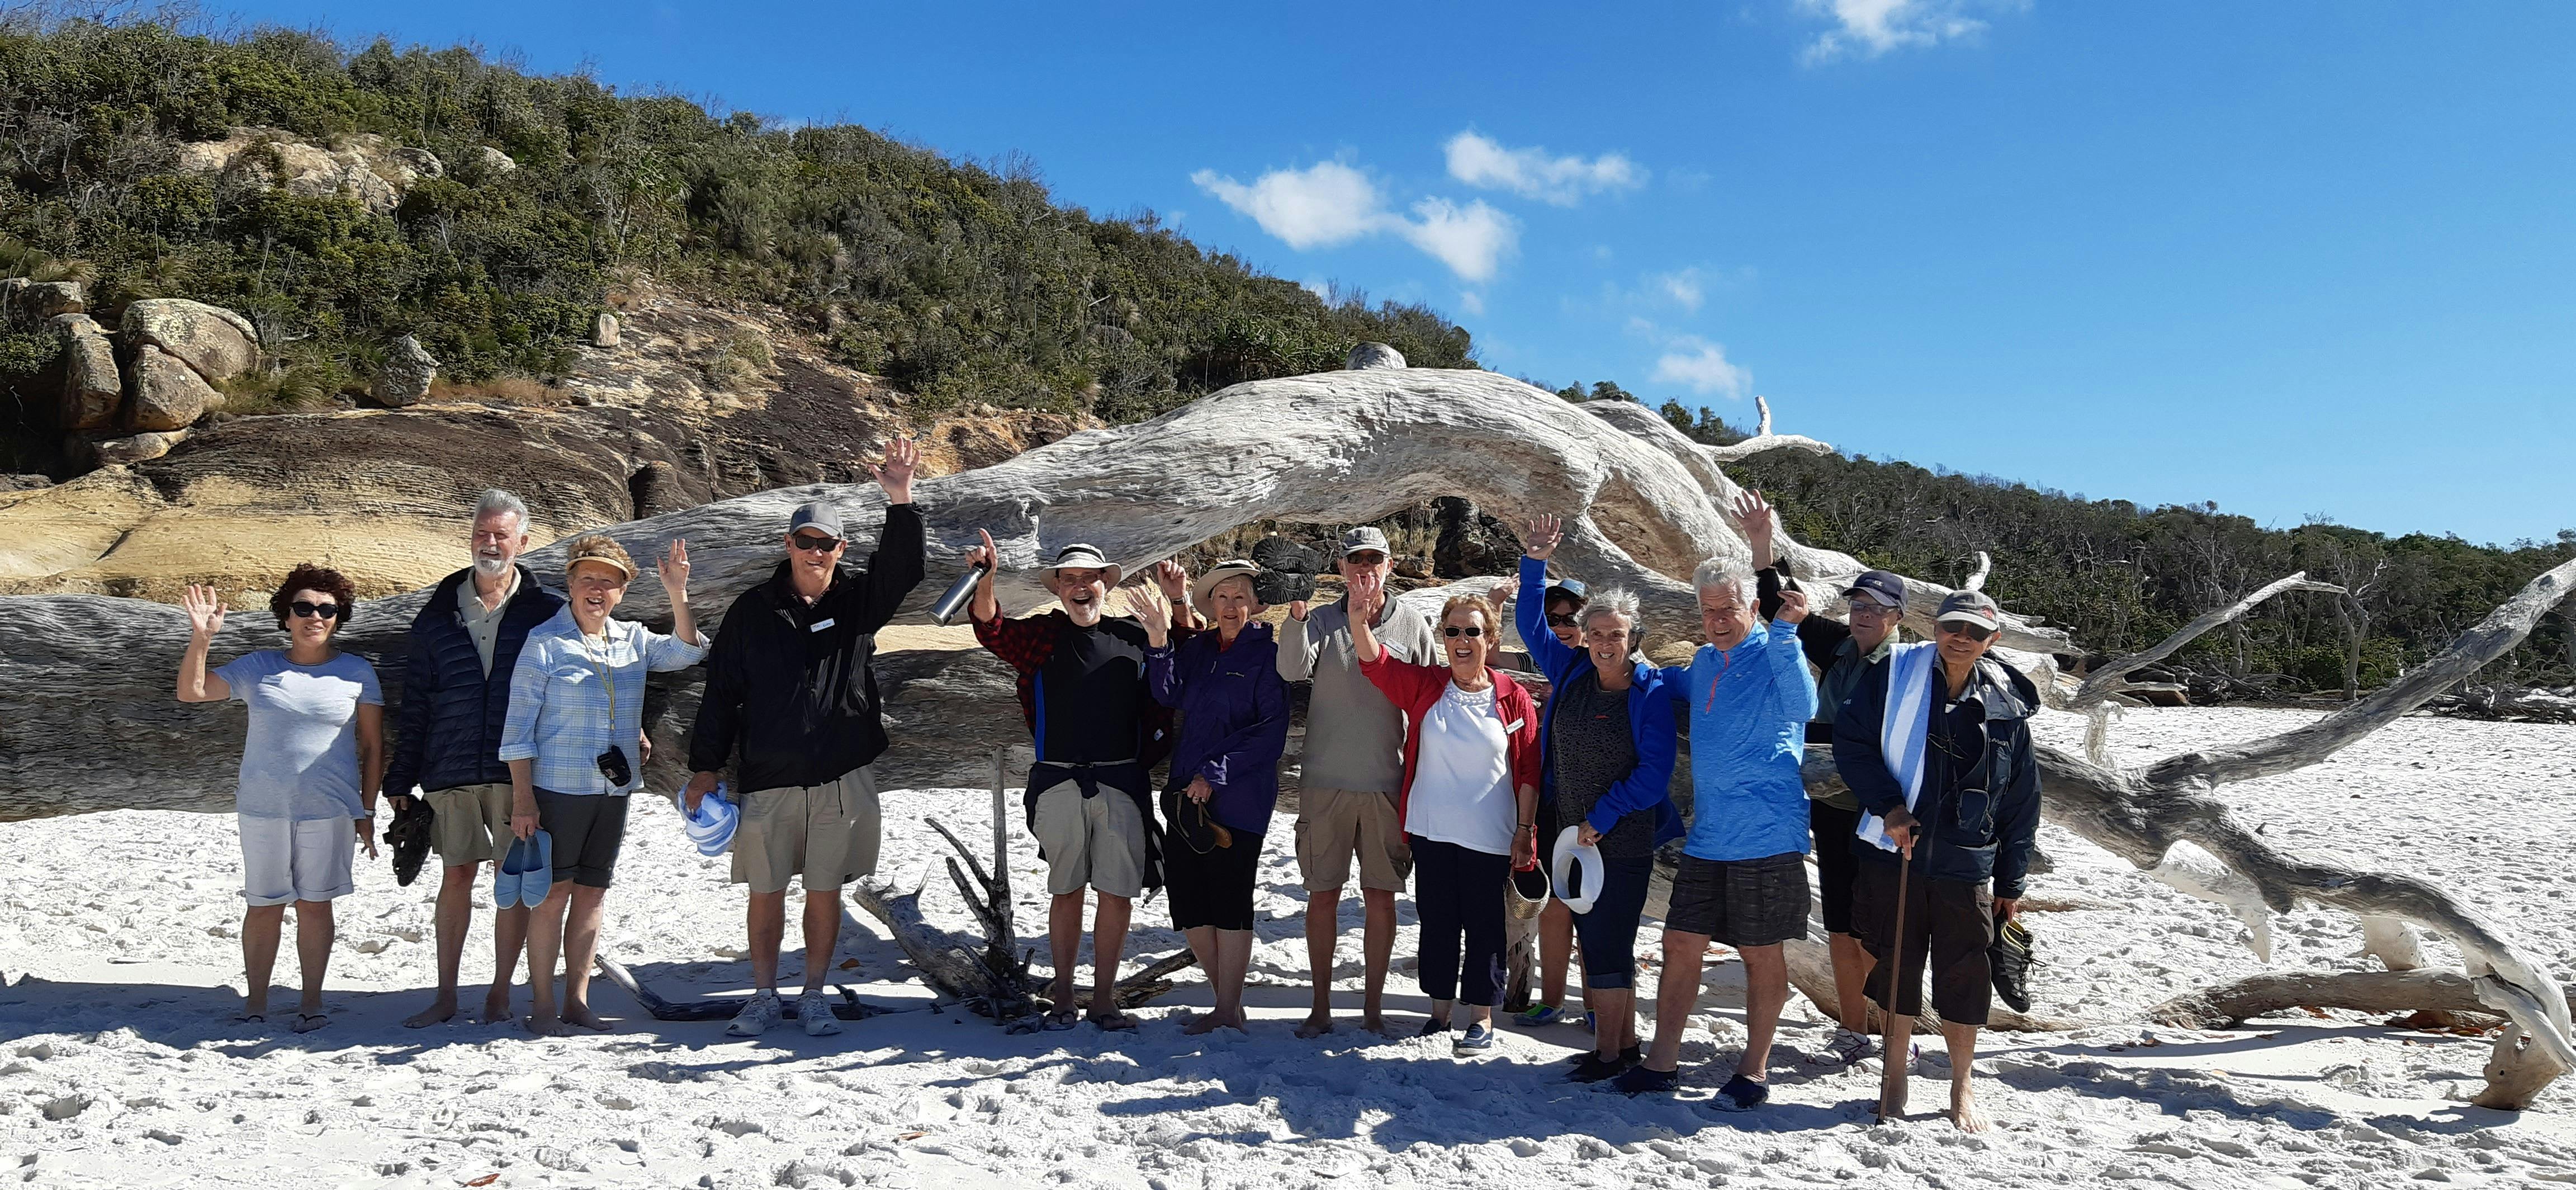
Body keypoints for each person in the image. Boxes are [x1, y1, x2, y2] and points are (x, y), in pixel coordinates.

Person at [688, 439, 926, 1038]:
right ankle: (764, 995)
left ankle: (814, 996)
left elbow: (904, 571)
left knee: (824, 892)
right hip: (768, 774)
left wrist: (901, 498)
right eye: (806, 541)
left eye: (827, 543)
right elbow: (721, 692)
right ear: (788, 544)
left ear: (841, 549)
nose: (815, 552)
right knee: (765, 891)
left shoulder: (857, 603)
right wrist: (705, 767)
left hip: (840, 774)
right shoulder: (751, 610)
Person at [1831, 586, 2042, 1133]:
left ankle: (1961, 1083)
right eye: (1953, 627)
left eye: (1975, 632)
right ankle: (1895, 1073)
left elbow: (2022, 800)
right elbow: (1852, 743)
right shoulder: (1893, 674)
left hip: (1966, 861)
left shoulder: (2007, 705)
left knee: (1965, 974)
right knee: (1894, 965)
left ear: (1992, 640)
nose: (1961, 638)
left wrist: (2011, 881)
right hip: (1894, 851)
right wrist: (1890, 806)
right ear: (1935, 628)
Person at [968, 533, 1196, 1031]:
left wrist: (1178, 600)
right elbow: (991, 628)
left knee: (1117, 894)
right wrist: (986, 579)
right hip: (1058, 783)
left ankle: (1105, 999)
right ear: (1057, 588)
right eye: (1070, 579)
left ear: (1105, 585)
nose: (1080, 587)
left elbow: (1185, 652)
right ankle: (1065, 996)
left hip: (1122, 780)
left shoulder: (1133, 635)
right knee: (1066, 890)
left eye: (1089, 578)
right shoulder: (1044, 636)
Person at [1616, 557, 1816, 1106]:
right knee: (1679, 942)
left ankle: (1754, 1072)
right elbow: (1665, 682)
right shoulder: (1705, 661)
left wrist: (1787, 632)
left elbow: (1805, 706)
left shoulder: (1776, 652)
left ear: (1753, 606)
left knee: (1759, 952)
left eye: (1728, 608)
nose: (1718, 620)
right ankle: (1662, 1063)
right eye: (1709, 611)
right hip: (1709, 836)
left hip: (1767, 833)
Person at [499, 533, 706, 1036]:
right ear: (571, 584)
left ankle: (577, 1002)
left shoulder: (632, 639)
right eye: (588, 578)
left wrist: (678, 592)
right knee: (553, 897)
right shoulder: (545, 643)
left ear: (621, 592)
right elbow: (517, 731)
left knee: (592, 896)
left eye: (608, 582)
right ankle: (542, 1006)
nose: (597, 589)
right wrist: (523, 800)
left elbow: (688, 651)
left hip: (614, 791)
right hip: (558, 789)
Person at [1732, 488, 1910, 1065]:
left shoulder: (1909, 667)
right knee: (1838, 922)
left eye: (1877, 607)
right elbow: (1777, 603)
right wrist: (1762, 542)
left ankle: (1894, 1032)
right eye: (1859, 604)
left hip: (1883, 814)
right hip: (1831, 809)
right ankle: (1854, 1030)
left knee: (1882, 929)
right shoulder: (1840, 647)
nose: (1864, 614)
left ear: (1897, 617)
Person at [385, 490, 567, 1028]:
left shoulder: (548, 610)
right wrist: (401, 776)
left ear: (522, 542)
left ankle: (499, 994)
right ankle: (445, 996)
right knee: (457, 875)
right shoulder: (437, 613)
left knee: (513, 885)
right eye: (481, 533)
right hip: (450, 765)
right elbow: (417, 701)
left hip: (521, 772)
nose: (490, 543)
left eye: (501, 535)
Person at [176, 565, 383, 1033]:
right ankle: (256, 1003)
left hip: (331, 809)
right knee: (264, 905)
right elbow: (192, 691)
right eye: (304, 608)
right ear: (286, 616)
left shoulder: (357, 671)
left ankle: (312, 1003)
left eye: (327, 609)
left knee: (316, 906)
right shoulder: (258, 667)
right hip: (263, 809)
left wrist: (367, 810)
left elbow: (374, 747)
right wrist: (202, 638)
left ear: (339, 617)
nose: (315, 617)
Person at [1513, 517, 1681, 1082]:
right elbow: (1530, 623)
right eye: (1598, 633)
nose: (1607, 644)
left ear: (1635, 639)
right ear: (1585, 636)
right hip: (1572, 833)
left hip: (1620, 839)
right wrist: (1535, 563)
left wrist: (1601, 817)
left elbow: (1653, 776)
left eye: (1618, 635)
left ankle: (1609, 1055)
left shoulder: (1648, 691)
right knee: (1596, 937)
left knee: (1608, 942)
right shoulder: (1572, 669)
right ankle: (1622, 1046)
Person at [1351, 575, 1541, 1056]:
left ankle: (1481, 1018)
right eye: (1453, 631)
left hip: (1491, 836)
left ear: (1490, 639)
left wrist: (1525, 831)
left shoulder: (1512, 697)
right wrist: (1358, 620)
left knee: (1485, 928)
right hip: (1431, 832)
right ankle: (1438, 1014)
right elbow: (1377, 664)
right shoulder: (1429, 685)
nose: (1462, 640)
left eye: (1472, 631)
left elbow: (1528, 771)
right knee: (1437, 923)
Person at [1277, 527, 1441, 1038]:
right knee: (1322, 896)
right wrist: (1296, 618)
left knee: (1381, 899)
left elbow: (1431, 696)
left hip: (1387, 783)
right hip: (1324, 782)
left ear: (1389, 566)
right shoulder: (1322, 619)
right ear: (1342, 568)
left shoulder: (1412, 623)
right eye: (1356, 560)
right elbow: (1290, 670)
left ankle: (1372, 1010)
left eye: (1375, 559)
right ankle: (1320, 1008)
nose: (1365, 568)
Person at [1134, 560, 1290, 1035]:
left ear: (1256, 605)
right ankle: (1227, 1004)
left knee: (1229, 900)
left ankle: (1226, 1008)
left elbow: (1271, 731)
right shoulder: (1200, 649)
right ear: (1212, 605)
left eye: (1240, 596)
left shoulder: (1269, 656)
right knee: (1187, 902)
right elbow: (1169, 692)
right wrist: (1158, 641)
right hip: (1187, 795)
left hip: (1240, 797)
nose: (1231, 605)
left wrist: (1214, 773)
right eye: (1223, 597)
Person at [1508, 569, 1592, 1031]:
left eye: (1570, 618)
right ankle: (1553, 1000)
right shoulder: (1541, 661)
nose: (1561, 626)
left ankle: (1599, 1006)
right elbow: (1523, 630)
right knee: (1554, 906)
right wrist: (1533, 565)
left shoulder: (1609, 667)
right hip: (1547, 798)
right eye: (1553, 617)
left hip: (1597, 809)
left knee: (1592, 908)